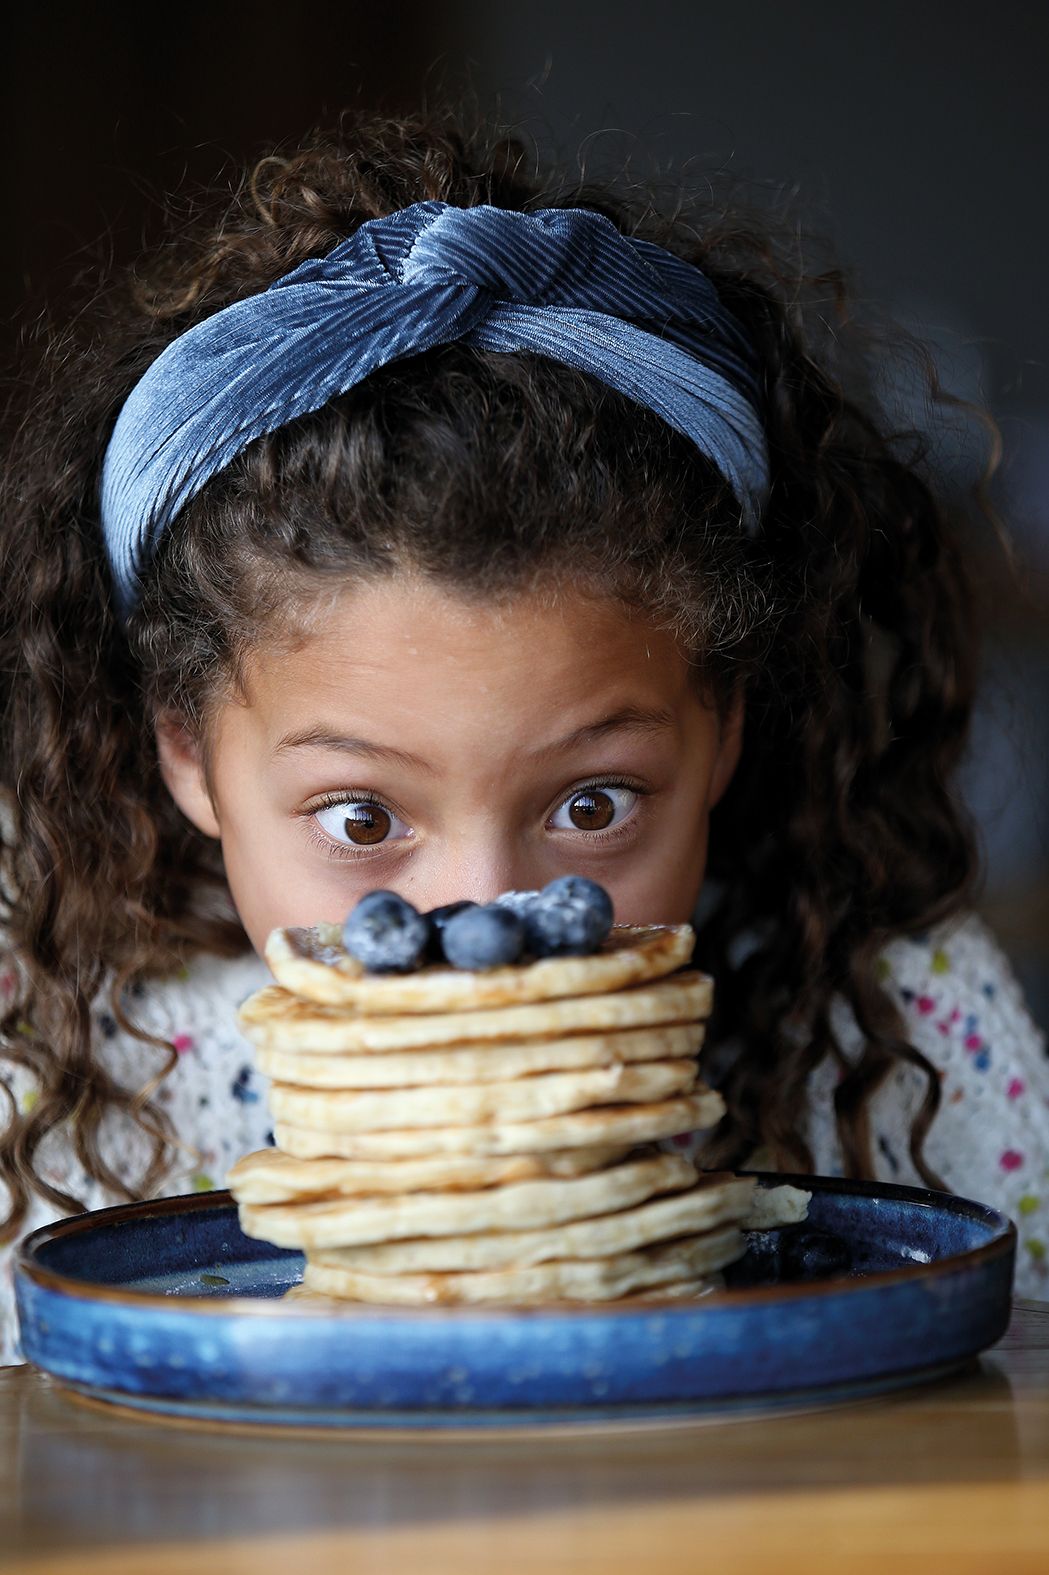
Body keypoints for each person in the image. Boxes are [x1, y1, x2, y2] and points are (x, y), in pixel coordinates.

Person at [1, 105, 1045, 1364]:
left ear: (721, 729)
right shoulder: (52, 1064)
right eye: (362, 819)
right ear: (187, 754)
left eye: (592, 804)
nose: (482, 919)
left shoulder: (897, 1030)